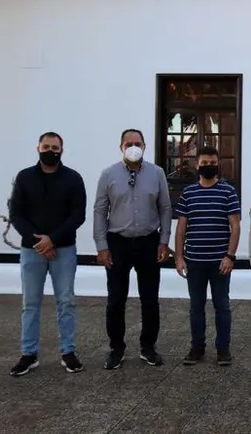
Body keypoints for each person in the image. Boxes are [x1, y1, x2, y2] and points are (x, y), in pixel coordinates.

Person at [8, 132, 87, 376]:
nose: (50, 150)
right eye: (46, 146)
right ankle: (29, 354)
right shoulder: (24, 177)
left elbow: (78, 215)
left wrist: (52, 240)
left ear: (62, 150)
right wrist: (40, 242)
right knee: (30, 304)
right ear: (38, 148)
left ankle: (68, 352)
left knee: (66, 302)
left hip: (64, 250)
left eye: (55, 147)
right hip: (31, 250)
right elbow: (16, 214)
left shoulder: (73, 178)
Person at [93, 128, 173, 370]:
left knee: (150, 299)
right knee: (116, 300)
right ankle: (117, 349)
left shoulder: (157, 173)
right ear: (121, 147)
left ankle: (148, 347)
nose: (133, 147)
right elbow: (99, 210)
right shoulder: (108, 175)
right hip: (118, 243)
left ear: (145, 146)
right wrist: (101, 246)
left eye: (137, 143)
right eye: (128, 143)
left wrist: (164, 241)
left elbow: (166, 208)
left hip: (149, 242)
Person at [174, 146, 241, 366]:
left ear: (218, 165)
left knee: (222, 306)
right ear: (197, 165)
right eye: (204, 163)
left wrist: (230, 256)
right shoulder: (188, 193)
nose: (208, 166)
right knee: (196, 306)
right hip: (194, 261)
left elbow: (235, 226)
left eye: (212, 163)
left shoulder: (228, 192)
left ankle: (223, 349)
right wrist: (179, 258)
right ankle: (197, 348)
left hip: (220, 262)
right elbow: (181, 228)